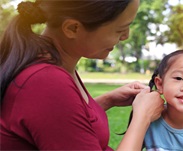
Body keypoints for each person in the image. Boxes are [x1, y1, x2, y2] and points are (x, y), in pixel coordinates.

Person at [0, 0, 165, 150]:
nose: (126, 36)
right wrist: (142, 117)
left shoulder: (54, 66)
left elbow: (61, 126)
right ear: (72, 28)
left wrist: (108, 100)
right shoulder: (46, 82)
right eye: (119, 29)